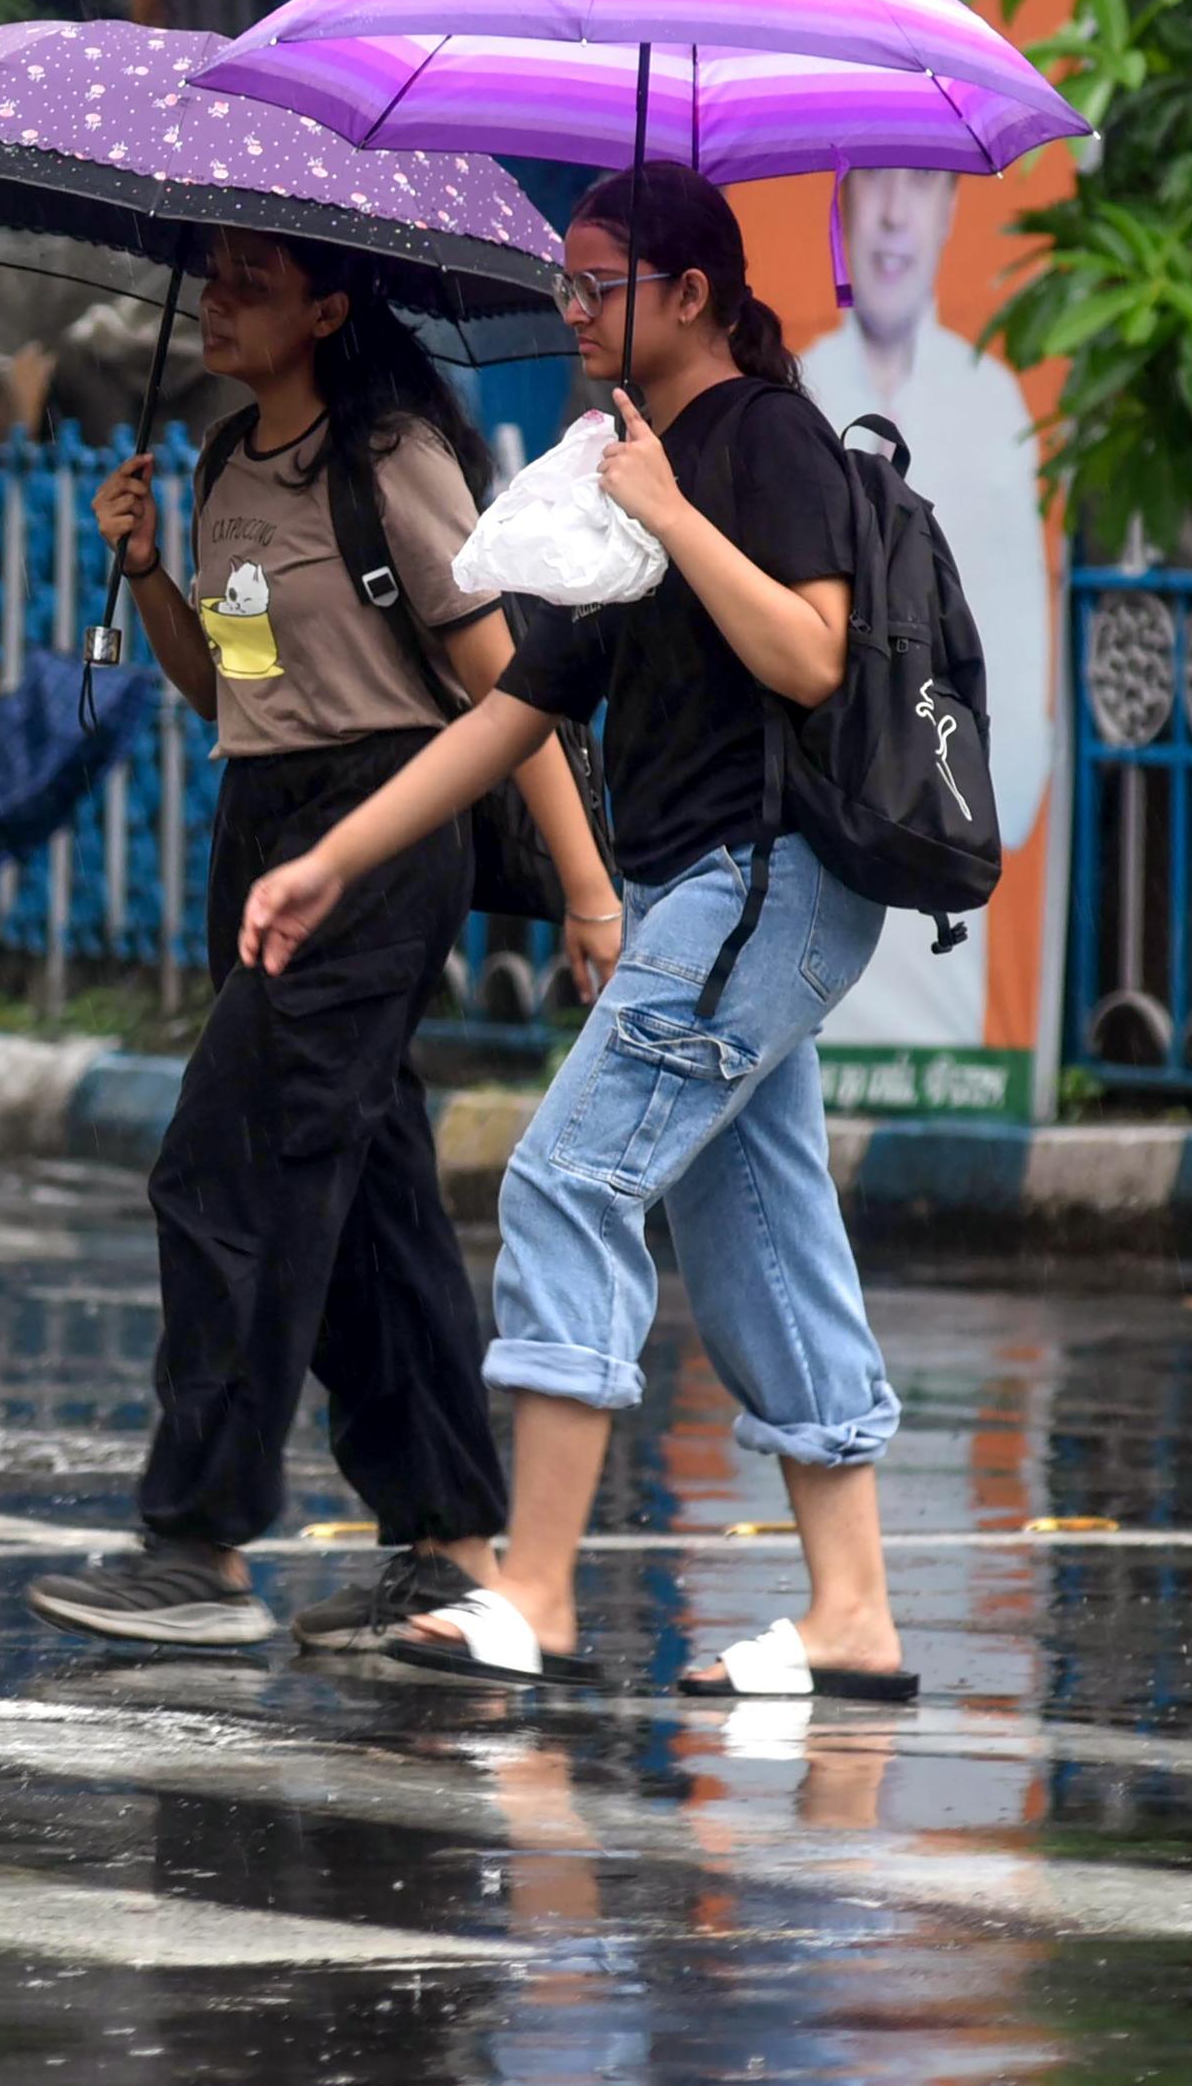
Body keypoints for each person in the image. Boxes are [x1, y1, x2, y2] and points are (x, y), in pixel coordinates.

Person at [242, 162, 914, 1701]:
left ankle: (533, 1591)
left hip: (764, 884)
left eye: (597, 279)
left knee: (567, 1175)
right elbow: (519, 707)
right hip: (706, 891)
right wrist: (332, 860)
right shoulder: (631, 462)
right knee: (759, 1239)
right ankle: (856, 1613)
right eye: (567, 277)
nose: (572, 306)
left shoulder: (762, 442)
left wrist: (673, 509)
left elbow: (811, 657)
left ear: (690, 295)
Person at [22, 231, 616, 1654]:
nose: (218, 302)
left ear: (330, 311)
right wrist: (154, 571)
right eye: (213, 277)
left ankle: (199, 1542)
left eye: (254, 284)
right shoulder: (226, 463)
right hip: (268, 814)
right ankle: (451, 1544)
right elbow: (231, 684)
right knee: (367, 1199)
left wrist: (589, 890)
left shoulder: (391, 455)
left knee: (226, 1167)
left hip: (384, 833)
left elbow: (508, 690)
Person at [797, 166, 1050, 1051]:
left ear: (950, 210)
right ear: (842, 205)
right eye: (872, 183)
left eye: (921, 184)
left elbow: (1017, 707)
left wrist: (920, 795)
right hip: (804, 851)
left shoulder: (994, 405)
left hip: (930, 842)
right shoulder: (799, 401)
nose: (894, 213)